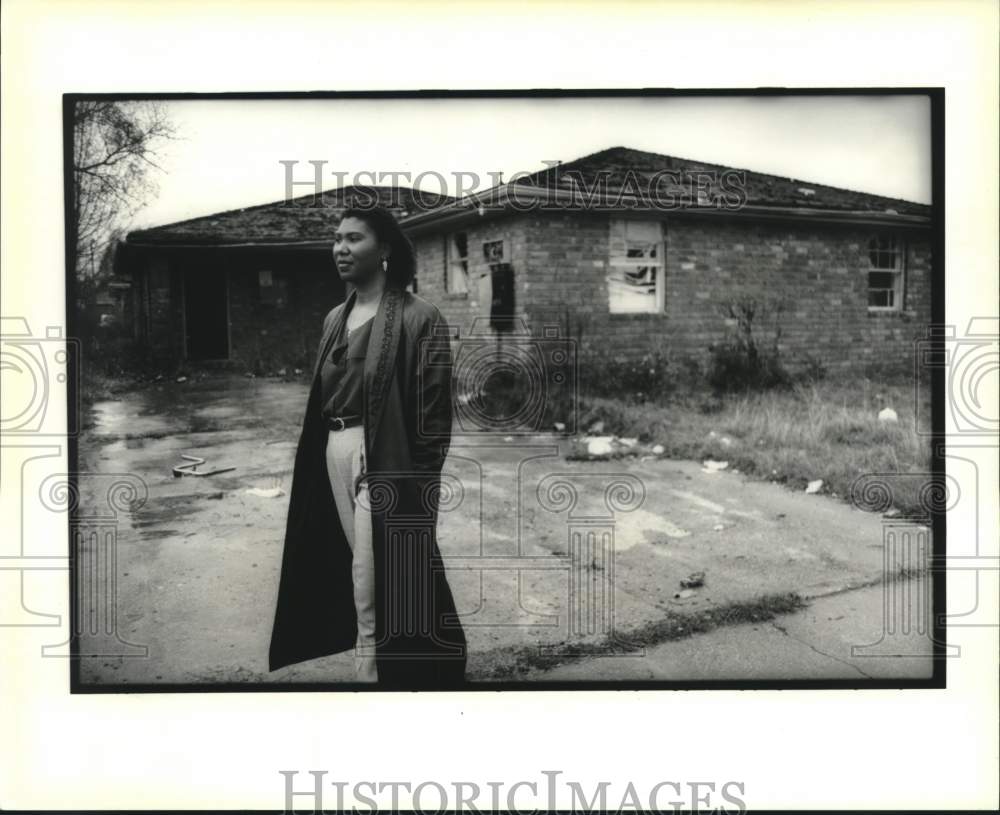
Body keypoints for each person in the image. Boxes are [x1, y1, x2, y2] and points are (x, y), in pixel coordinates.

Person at [268, 205, 467, 688]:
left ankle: (379, 675)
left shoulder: (422, 318)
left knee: (375, 575)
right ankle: (391, 667)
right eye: (337, 238)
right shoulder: (335, 317)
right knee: (355, 566)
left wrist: (414, 490)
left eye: (354, 238)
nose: (340, 247)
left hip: (383, 456)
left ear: (385, 250)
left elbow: (433, 420)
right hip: (334, 452)